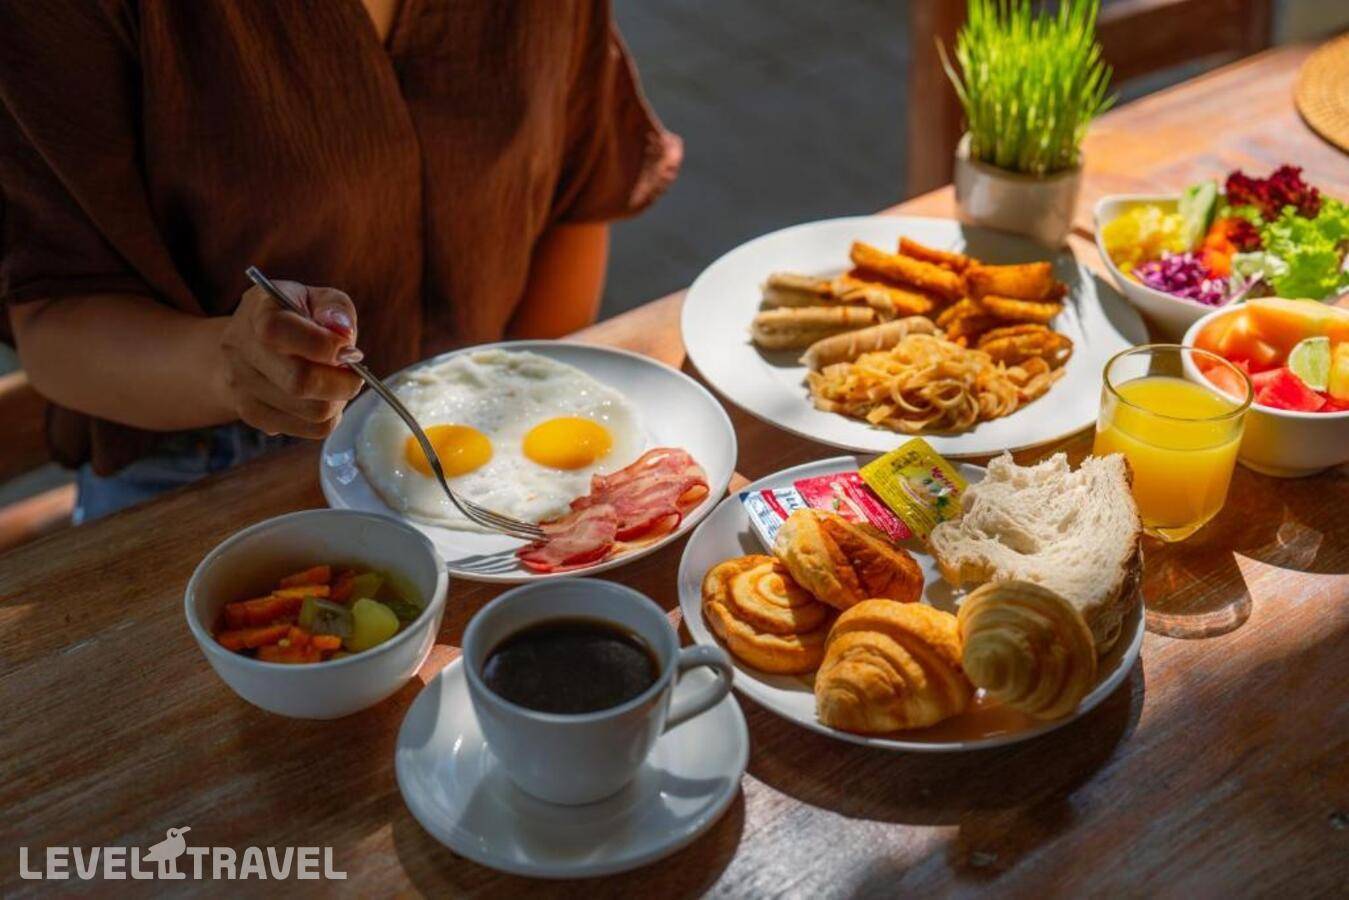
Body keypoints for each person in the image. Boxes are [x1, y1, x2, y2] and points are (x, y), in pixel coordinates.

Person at [0, 1, 680, 522]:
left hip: (487, 458)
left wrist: (538, 419)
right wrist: (229, 366)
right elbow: (55, 317)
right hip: (203, 486)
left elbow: (580, 182)